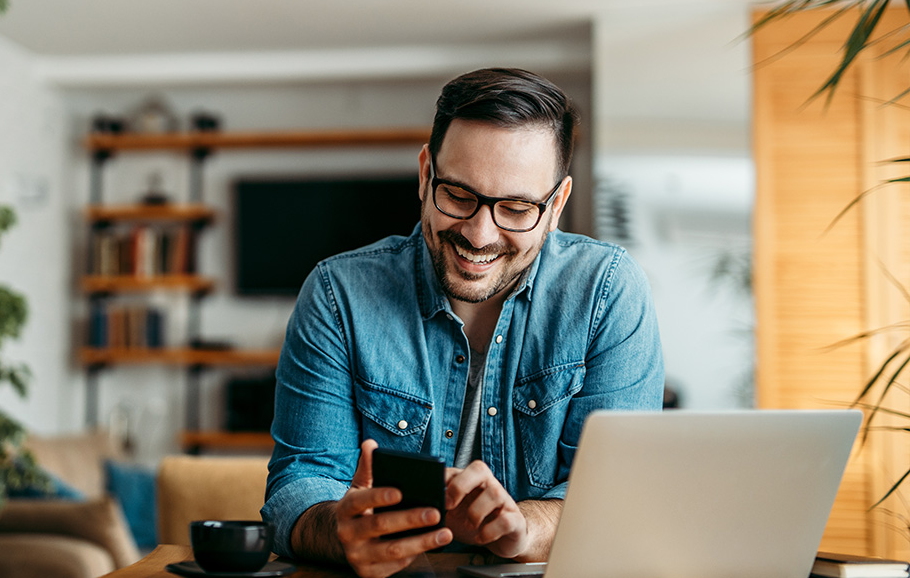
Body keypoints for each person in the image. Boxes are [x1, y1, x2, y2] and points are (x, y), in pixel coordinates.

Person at [260, 68, 665, 578]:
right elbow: (299, 486)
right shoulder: (337, 295)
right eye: (458, 195)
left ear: (556, 203)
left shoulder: (608, 292)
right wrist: (339, 529)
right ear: (426, 174)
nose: (479, 234)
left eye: (516, 208)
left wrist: (524, 527)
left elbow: (619, 498)